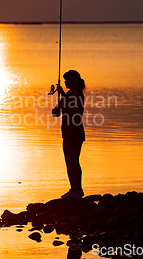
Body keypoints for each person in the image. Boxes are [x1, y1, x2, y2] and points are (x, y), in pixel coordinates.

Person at [56, 70, 85, 199]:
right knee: (71, 161)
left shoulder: (75, 96)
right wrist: (61, 98)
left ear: (73, 81)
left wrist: (62, 96)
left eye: (67, 80)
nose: (65, 82)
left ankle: (76, 189)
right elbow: (57, 112)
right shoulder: (71, 95)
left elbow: (71, 107)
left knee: (72, 161)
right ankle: (75, 189)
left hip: (74, 133)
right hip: (70, 132)